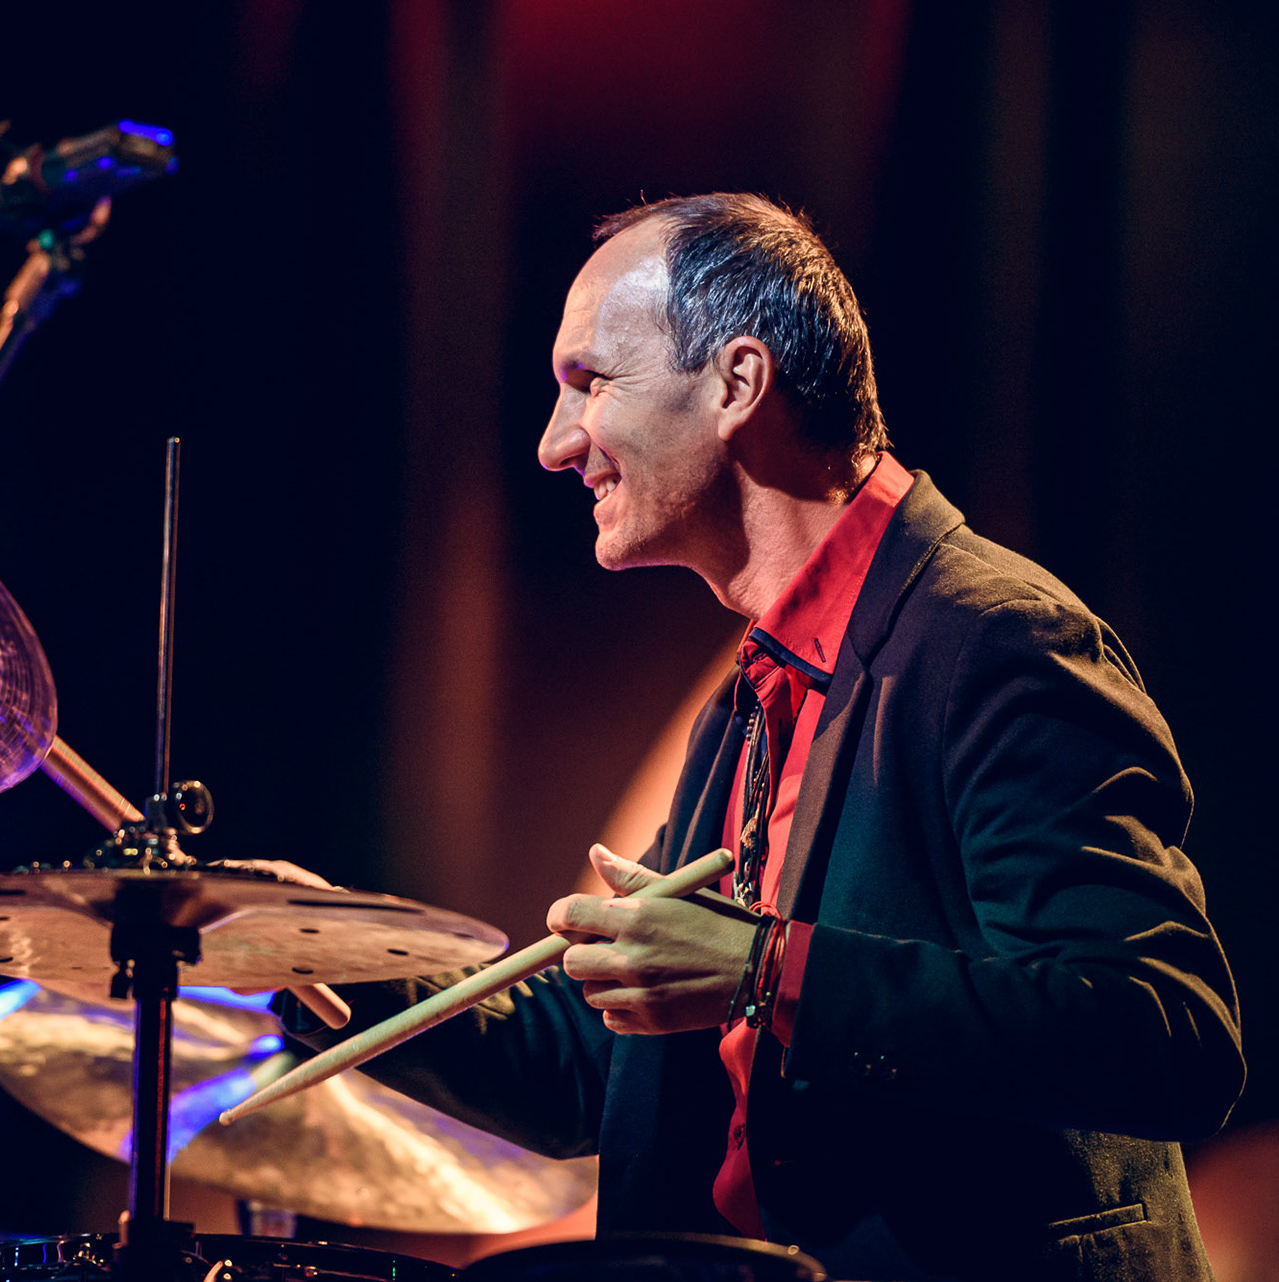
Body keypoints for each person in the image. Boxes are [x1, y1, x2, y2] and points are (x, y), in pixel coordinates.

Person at [277, 193, 1243, 1281]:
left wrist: (764, 969)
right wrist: (307, 951)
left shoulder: (1000, 643)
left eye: (590, 382)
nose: (554, 444)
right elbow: (599, 1066)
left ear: (738, 383)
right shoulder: (755, 693)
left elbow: (1164, 1034)